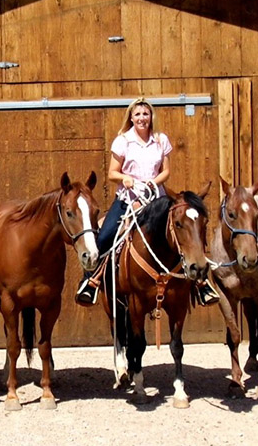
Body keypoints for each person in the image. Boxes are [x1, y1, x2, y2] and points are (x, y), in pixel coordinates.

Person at [75, 98, 219, 307]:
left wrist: (153, 182)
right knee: (105, 237)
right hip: (128, 199)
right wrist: (125, 178)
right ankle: (91, 281)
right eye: (138, 114)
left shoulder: (161, 140)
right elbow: (112, 172)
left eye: (145, 114)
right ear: (131, 118)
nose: (142, 118)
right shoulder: (123, 141)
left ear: (151, 117)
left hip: (156, 201)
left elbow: (166, 171)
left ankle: (201, 283)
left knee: (182, 233)